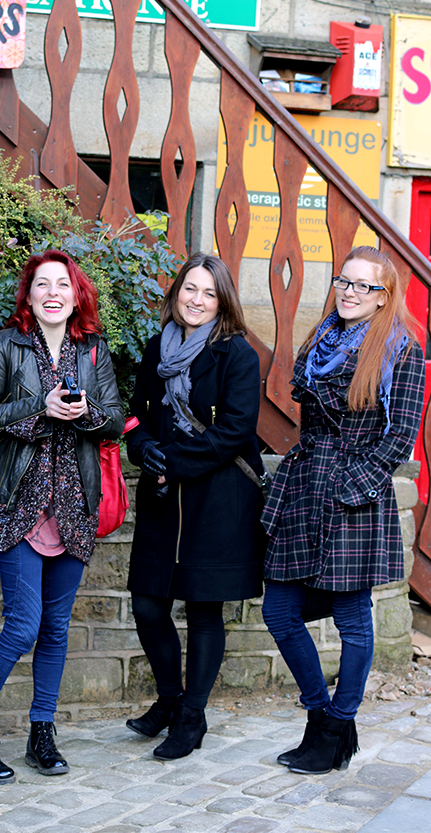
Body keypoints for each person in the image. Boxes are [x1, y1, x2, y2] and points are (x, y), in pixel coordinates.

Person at [0, 249, 124, 784]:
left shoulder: (93, 351)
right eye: (42, 284)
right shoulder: (6, 346)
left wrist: (86, 413)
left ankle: (41, 732)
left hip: (74, 505)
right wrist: (39, 408)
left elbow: (116, 421)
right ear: (28, 295)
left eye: (63, 285)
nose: (53, 292)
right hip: (19, 501)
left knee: (54, 628)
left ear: (77, 296)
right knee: (23, 624)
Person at [261, 246, 425, 776]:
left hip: (354, 496)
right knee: (279, 612)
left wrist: (353, 486)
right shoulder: (322, 339)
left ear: (385, 298)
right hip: (305, 488)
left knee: (354, 621)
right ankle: (322, 718)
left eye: (365, 286)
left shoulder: (402, 350)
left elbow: (399, 437)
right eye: (344, 282)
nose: (351, 292)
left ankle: (336, 727)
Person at [125, 253, 266, 760]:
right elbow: (136, 417)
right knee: (147, 605)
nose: (197, 300)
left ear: (222, 300)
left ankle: (192, 716)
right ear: (176, 292)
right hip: (163, 501)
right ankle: (169, 698)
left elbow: (234, 432)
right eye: (190, 289)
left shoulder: (237, 355)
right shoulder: (154, 349)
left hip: (217, 500)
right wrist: (142, 450)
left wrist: (173, 463)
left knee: (205, 611)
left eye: (208, 293)